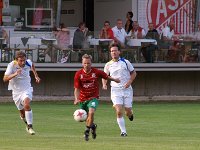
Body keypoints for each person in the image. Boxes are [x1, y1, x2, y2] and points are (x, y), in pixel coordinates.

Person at [74, 54, 120, 141]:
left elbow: (106, 76)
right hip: (83, 99)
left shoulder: (96, 72)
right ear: (82, 63)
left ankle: (86, 132)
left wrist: (115, 79)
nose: (86, 65)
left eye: (88, 63)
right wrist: (76, 99)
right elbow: (76, 89)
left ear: (91, 63)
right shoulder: (78, 74)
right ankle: (93, 127)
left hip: (93, 98)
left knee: (91, 112)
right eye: (85, 63)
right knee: (86, 118)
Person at [102, 43, 137, 137]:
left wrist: (129, 82)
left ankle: (130, 114)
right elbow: (104, 76)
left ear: (119, 52)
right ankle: (123, 132)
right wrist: (104, 84)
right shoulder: (108, 64)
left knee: (128, 111)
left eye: (115, 50)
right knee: (118, 111)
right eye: (112, 51)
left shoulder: (126, 62)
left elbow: (134, 73)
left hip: (127, 90)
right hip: (115, 90)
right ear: (110, 53)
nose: (113, 52)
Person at [3, 51, 41, 135]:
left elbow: (32, 65)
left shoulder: (28, 62)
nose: (23, 62)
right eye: (21, 61)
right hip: (16, 92)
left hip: (27, 89)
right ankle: (25, 120)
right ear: (16, 60)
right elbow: (5, 79)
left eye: (24, 60)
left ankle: (30, 126)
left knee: (26, 104)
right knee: (22, 114)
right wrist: (15, 74)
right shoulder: (11, 65)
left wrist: (36, 76)